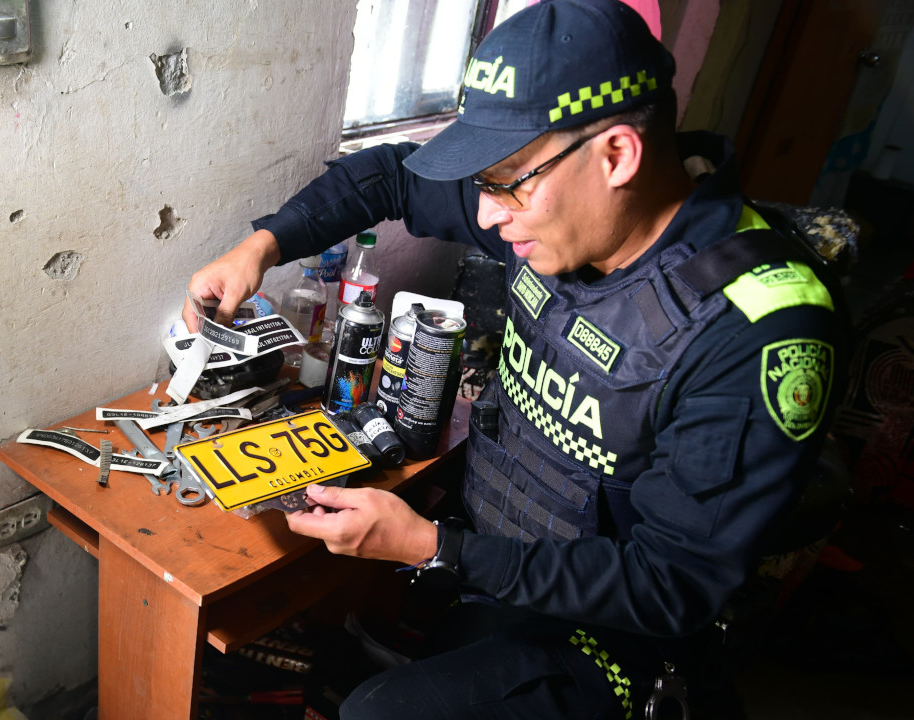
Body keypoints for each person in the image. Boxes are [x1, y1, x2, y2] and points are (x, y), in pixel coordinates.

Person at [186, 0, 849, 717]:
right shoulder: (557, 210)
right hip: (504, 561)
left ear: (617, 155)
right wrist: (263, 246)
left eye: (506, 180)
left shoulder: (755, 332)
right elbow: (390, 177)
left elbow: (671, 585)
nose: (489, 215)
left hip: (624, 633)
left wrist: (432, 547)